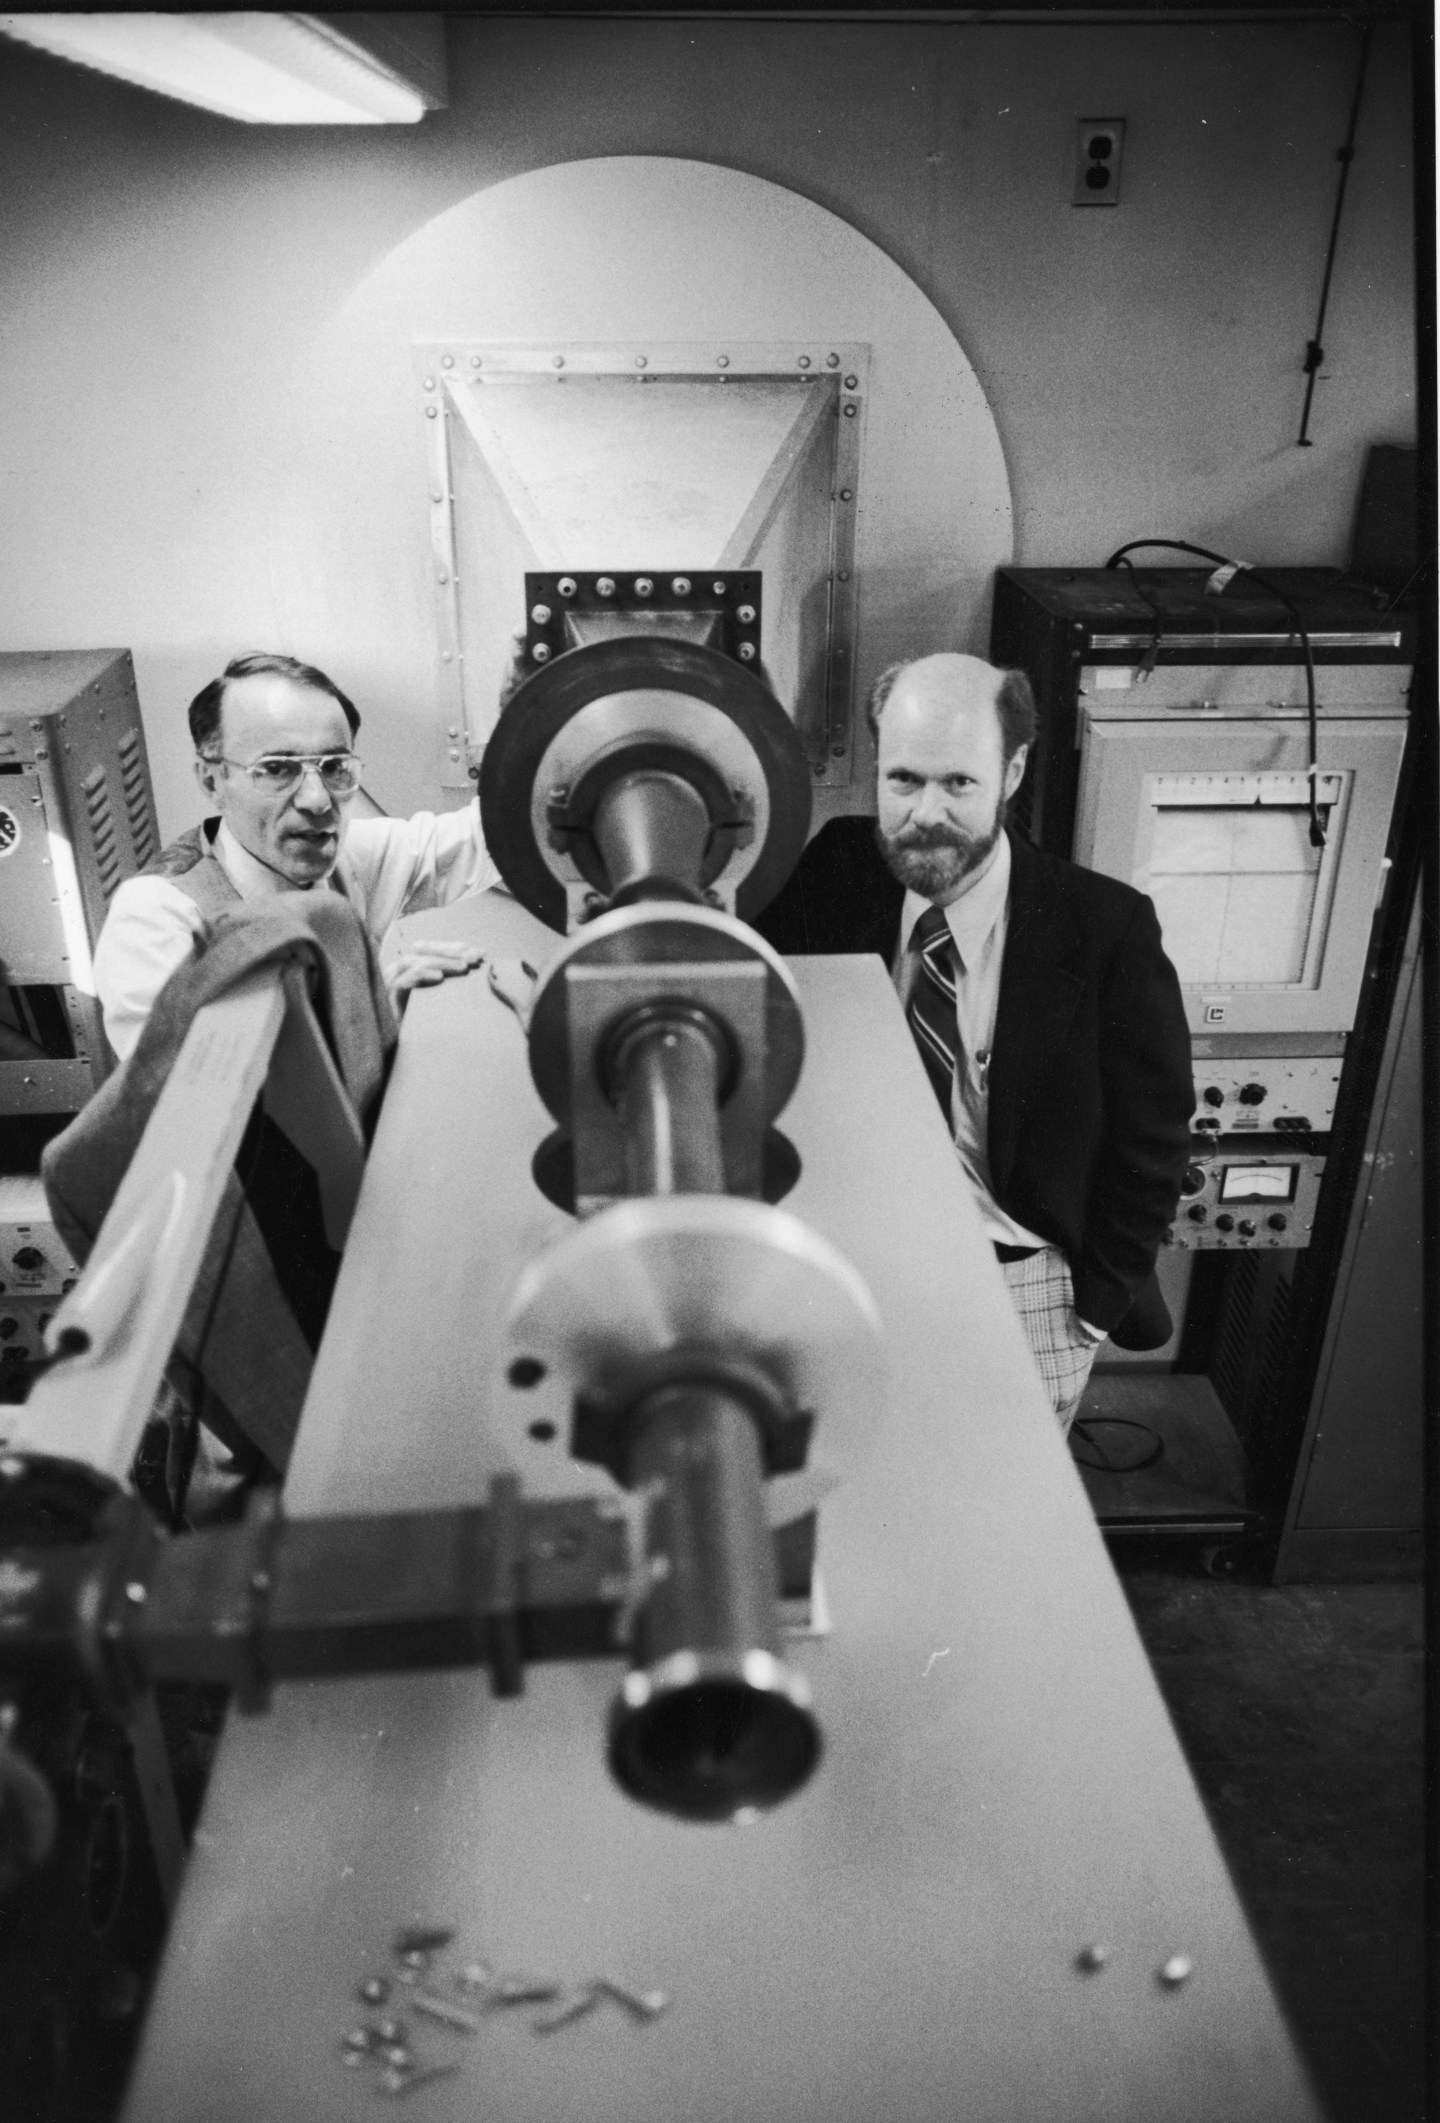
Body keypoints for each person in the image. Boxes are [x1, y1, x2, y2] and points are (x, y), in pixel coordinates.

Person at [755, 651, 1193, 1432]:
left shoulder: (1106, 930)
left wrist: (1089, 1311)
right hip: (860, 1260)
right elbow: (736, 983)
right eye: (903, 780)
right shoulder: (837, 867)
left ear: (1013, 771)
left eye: (959, 782)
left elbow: (1153, 1140)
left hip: (1023, 1282)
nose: (926, 812)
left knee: (1000, 1517)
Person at [94, 652, 499, 1060]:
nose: (317, 799)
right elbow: (195, 1105)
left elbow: (492, 833)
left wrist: (532, 713)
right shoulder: (157, 919)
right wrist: (373, 1024)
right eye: (276, 769)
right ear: (211, 779)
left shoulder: (347, 856)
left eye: (334, 766)